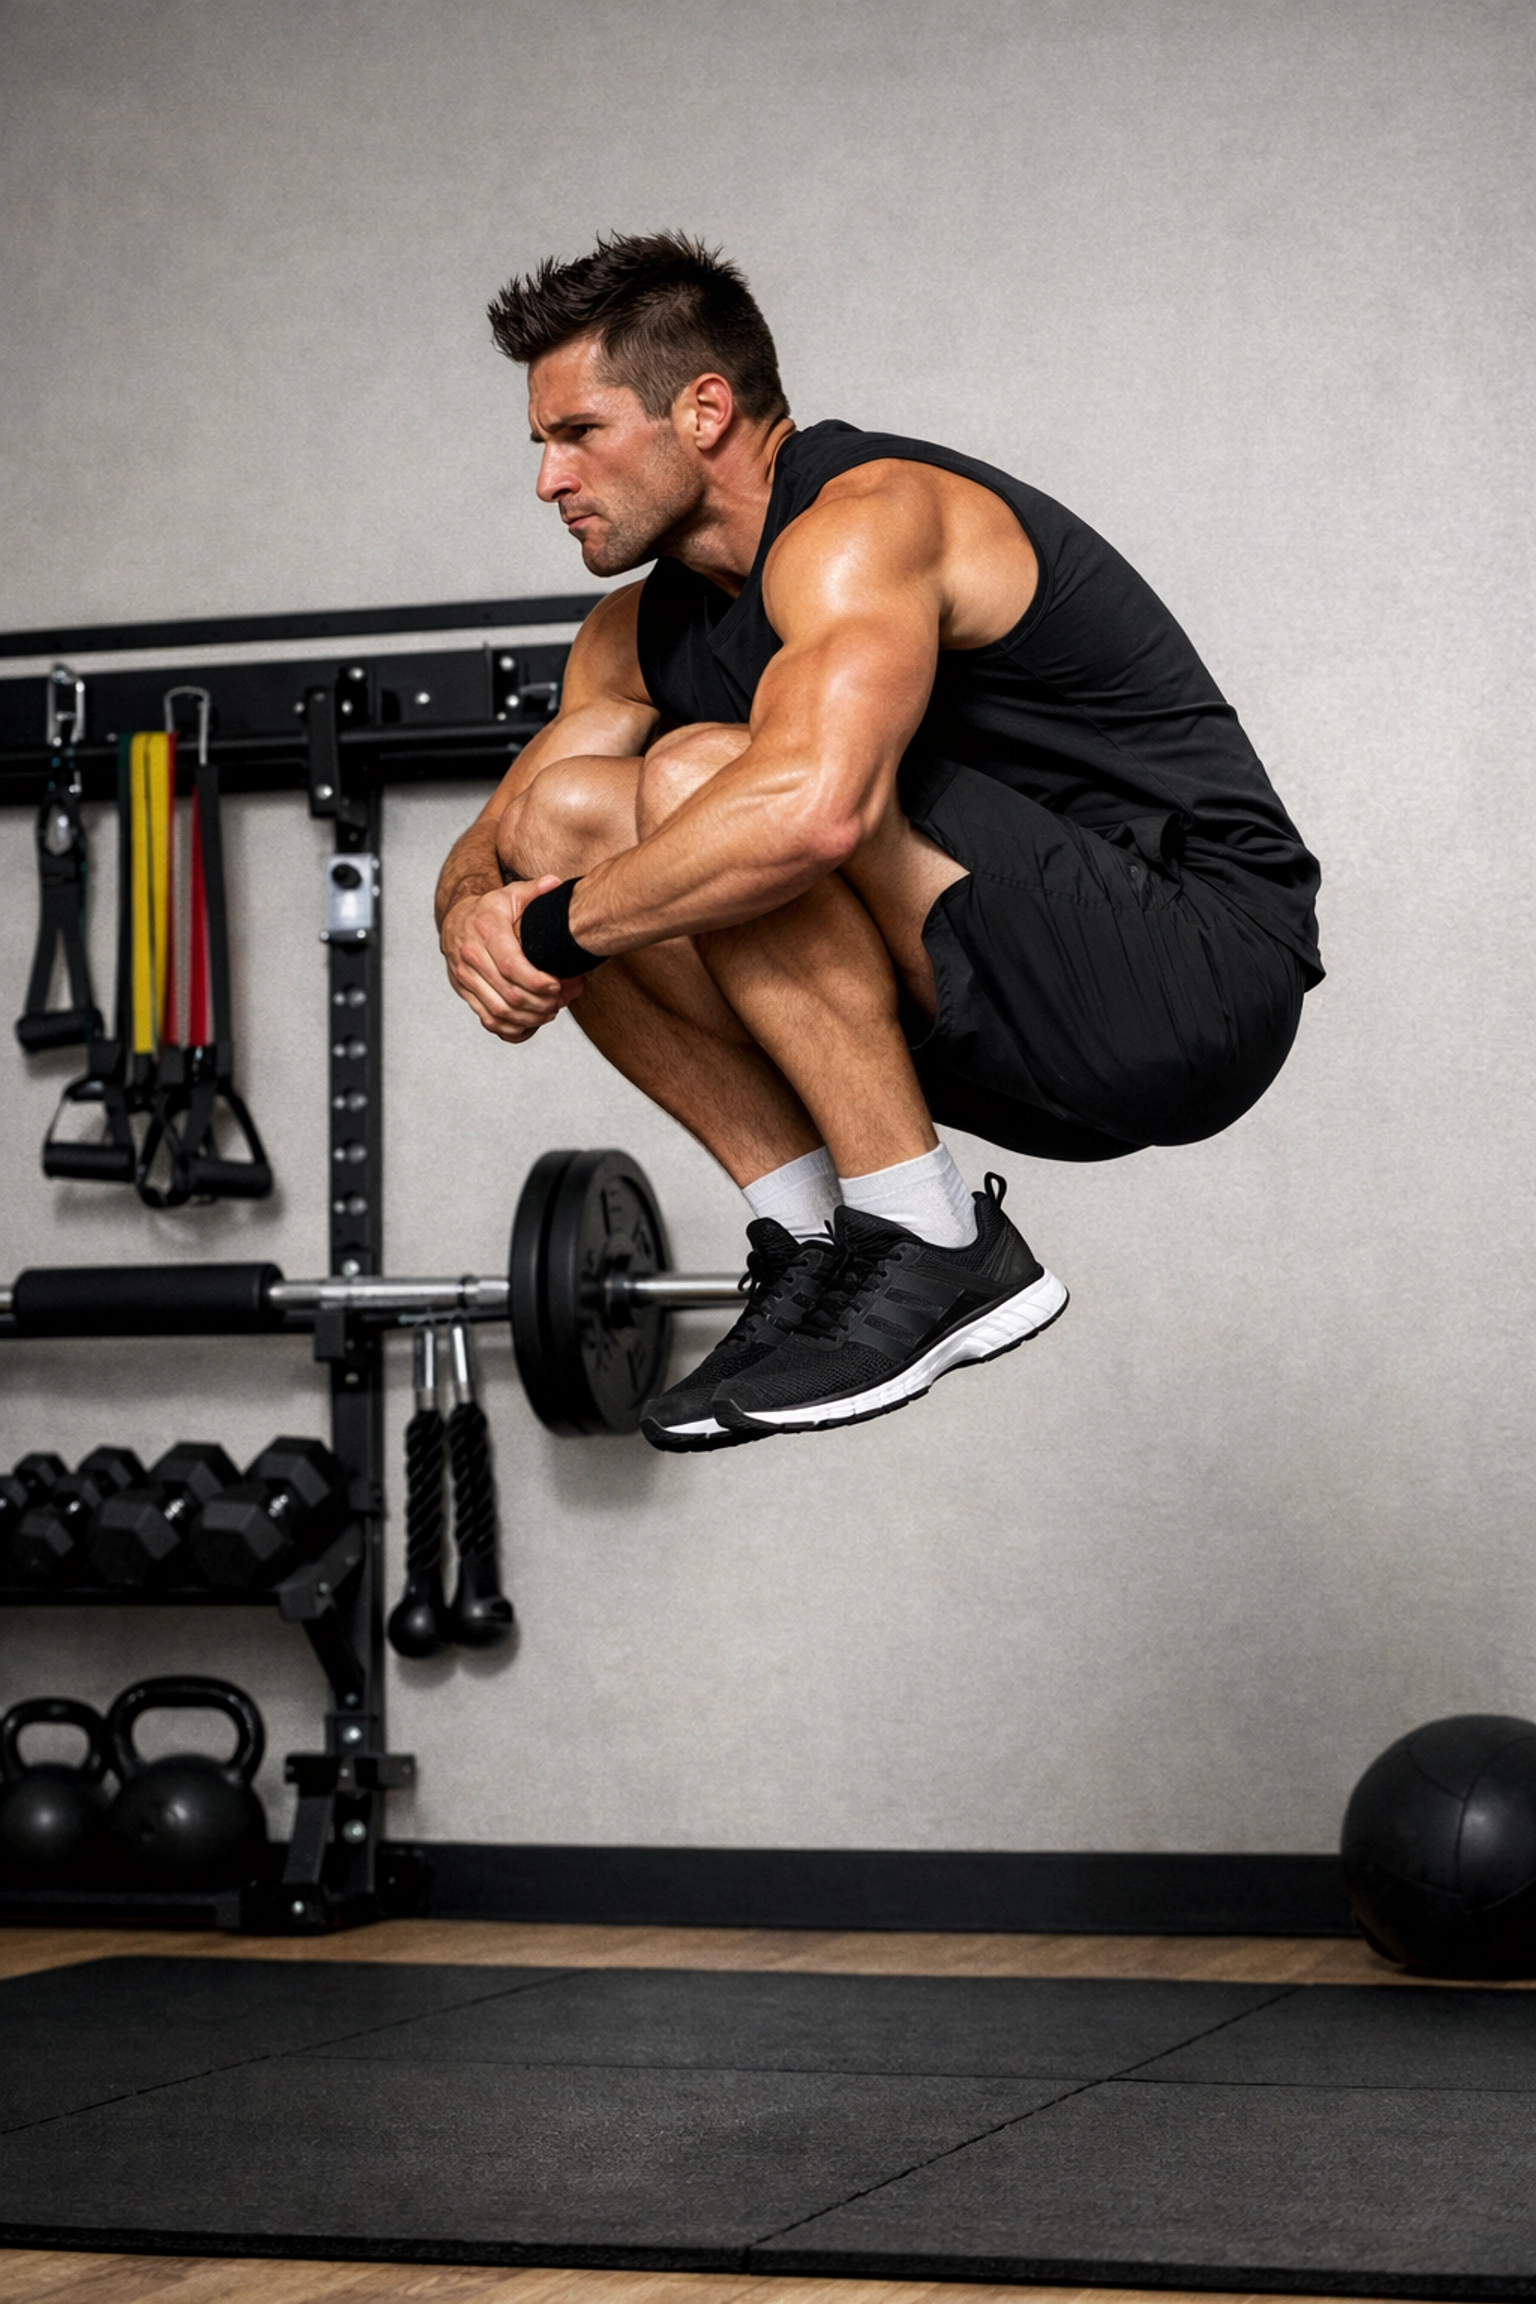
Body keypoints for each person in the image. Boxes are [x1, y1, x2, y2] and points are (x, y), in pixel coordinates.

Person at [437, 232, 1322, 1453]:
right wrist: (478, 917)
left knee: (705, 775)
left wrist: (544, 932)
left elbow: (811, 813)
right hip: (987, 996)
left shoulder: (867, 520)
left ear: (703, 409)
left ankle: (933, 1240)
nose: (548, 479)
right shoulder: (630, 635)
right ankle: (821, 1249)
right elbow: (494, 845)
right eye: (540, 444)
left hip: (1190, 972)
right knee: (565, 820)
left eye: (577, 432)